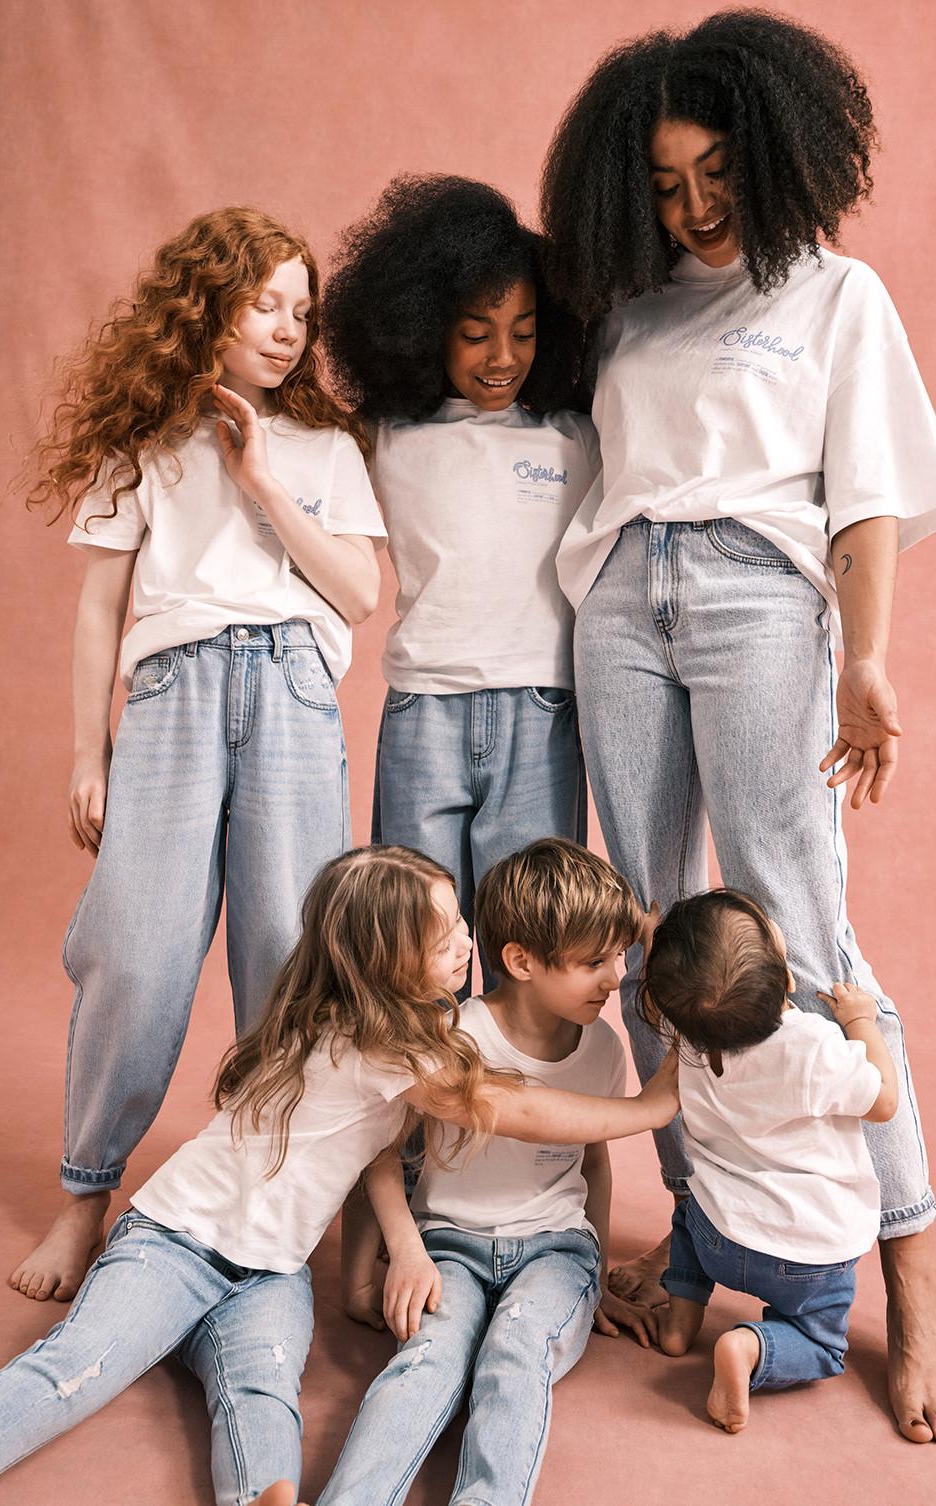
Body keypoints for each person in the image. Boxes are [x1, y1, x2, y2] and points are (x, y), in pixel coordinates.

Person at [539, 10, 936, 1443]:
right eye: (662, 183)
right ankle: (703, 1245)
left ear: (773, 151)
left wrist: (867, 659)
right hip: (621, 604)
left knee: (805, 934)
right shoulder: (630, 301)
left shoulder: (834, 295)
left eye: (715, 170)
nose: (692, 205)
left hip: (755, 599)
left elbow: (865, 503)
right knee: (653, 937)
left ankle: (909, 1283)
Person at [0, 846, 681, 1503]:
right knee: (75, 1371)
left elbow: (375, 1149)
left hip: (273, 1269)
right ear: (390, 963)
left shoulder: (409, 1033)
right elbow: (508, 1107)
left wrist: (398, 1252)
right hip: (176, 1242)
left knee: (263, 1393)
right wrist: (647, 1110)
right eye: (447, 940)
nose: (468, 945)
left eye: (461, 926)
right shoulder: (381, 1041)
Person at [10, 207, 386, 1306]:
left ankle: (270, 1184)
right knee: (135, 946)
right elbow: (98, 613)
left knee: (288, 950)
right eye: (262, 302)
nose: (284, 329)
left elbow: (359, 595)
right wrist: (92, 752)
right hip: (173, 695)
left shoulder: (323, 446)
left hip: (293, 696)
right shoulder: (144, 446)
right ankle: (89, 1190)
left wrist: (266, 481)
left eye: (299, 311)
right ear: (205, 303)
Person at [315, 839, 654, 1506]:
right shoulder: (454, 1039)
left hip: (557, 1249)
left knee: (516, 1354)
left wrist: (596, 1277)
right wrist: (389, 1260)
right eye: (595, 962)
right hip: (451, 1246)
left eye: (619, 956)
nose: (616, 977)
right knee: (428, 1361)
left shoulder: (605, 1050)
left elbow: (595, 1161)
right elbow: (380, 1148)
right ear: (521, 961)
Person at [320, 175, 599, 988]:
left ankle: (525, 1117)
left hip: (543, 715)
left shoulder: (573, 436)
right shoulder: (384, 437)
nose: (503, 357)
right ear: (422, 331)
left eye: (522, 331)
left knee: (532, 948)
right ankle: (426, 1118)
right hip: (422, 718)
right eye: (476, 333)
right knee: (411, 953)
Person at [640, 889, 898, 1432]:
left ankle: (681, 1319)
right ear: (787, 982)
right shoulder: (813, 1047)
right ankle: (751, 1350)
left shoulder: (686, 1041)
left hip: (717, 1238)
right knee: (824, 1344)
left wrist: (651, 944)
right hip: (807, 1259)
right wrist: (863, 1024)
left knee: (688, 1212)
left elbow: (675, 998)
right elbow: (884, 1103)